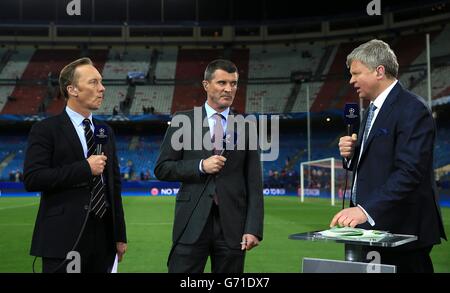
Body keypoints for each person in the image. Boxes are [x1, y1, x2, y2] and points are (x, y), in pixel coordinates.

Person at [333, 39, 446, 272]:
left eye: (356, 73)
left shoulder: (412, 109)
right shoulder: (372, 110)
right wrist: (352, 155)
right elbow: (376, 163)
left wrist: (365, 210)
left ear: (379, 71)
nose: (351, 80)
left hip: (402, 232)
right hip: (374, 229)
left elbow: (410, 171)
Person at [154, 59, 264, 273]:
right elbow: (163, 168)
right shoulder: (182, 121)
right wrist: (201, 166)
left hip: (232, 226)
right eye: (222, 82)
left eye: (233, 83)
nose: (228, 89)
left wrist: (254, 229)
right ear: (206, 85)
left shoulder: (246, 126)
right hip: (191, 221)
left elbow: (254, 183)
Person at [24, 57, 127, 273]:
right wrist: (85, 168)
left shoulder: (105, 131)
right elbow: (33, 178)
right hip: (63, 237)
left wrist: (120, 236)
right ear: (72, 89)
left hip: (104, 238)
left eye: (101, 82)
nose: (102, 88)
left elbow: (113, 187)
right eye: (93, 82)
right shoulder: (46, 129)